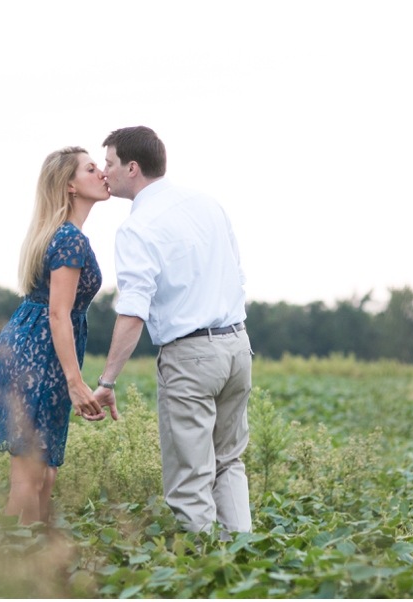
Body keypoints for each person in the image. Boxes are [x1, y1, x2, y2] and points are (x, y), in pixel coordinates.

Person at [92, 126, 253, 535]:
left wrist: (107, 379)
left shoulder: (137, 226)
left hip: (191, 355)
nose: (104, 172)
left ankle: (203, 577)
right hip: (237, 345)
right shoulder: (207, 203)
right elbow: (237, 273)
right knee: (228, 462)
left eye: (108, 164)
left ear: (132, 167)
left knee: (190, 477)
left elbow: (133, 310)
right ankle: (246, 563)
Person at [0, 146, 119, 525]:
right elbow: (59, 314)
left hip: (33, 347)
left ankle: (34, 560)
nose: (102, 174)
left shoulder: (61, 234)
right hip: (38, 354)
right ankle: (7, 563)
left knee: (43, 474)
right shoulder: (69, 240)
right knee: (30, 475)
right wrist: (76, 382)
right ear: (70, 186)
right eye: (92, 169)